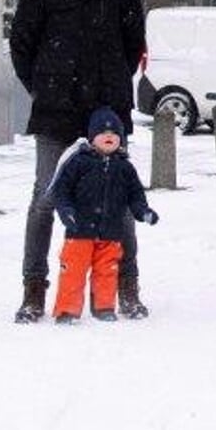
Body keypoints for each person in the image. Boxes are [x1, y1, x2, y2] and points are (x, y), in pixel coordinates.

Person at [9, 0, 147, 324]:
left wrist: (111, 85)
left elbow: (132, 43)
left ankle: (126, 285)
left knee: (118, 199)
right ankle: (34, 288)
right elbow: (22, 44)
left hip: (106, 107)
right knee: (45, 198)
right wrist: (44, 84)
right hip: (56, 107)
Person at [48, 107, 160, 323]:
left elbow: (135, 195)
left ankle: (104, 306)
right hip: (79, 230)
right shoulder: (79, 162)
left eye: (114, 134)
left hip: (111, 231)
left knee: (107, 271)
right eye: (102, 133)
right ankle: (67, 310)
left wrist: (143, 211)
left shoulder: (125, 168)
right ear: (91, 138)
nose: (109, 136)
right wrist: (66, 211)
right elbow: (62, 191)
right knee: (73, 271)